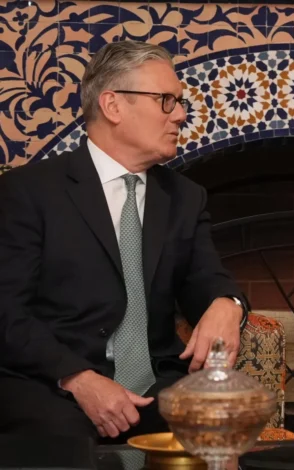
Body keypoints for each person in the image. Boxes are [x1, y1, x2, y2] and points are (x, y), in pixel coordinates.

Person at [0, 41, 249, 441]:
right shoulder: (29, 192)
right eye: (166, 101)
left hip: (156, 384)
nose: (181, 115)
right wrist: (77, 378)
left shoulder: (185, 197)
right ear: (113, 106)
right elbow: (7, 311)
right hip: (54, 383)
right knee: (61, 434)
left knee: (218, 414)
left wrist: (228, 304)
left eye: (180, 102)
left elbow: (207, 279)